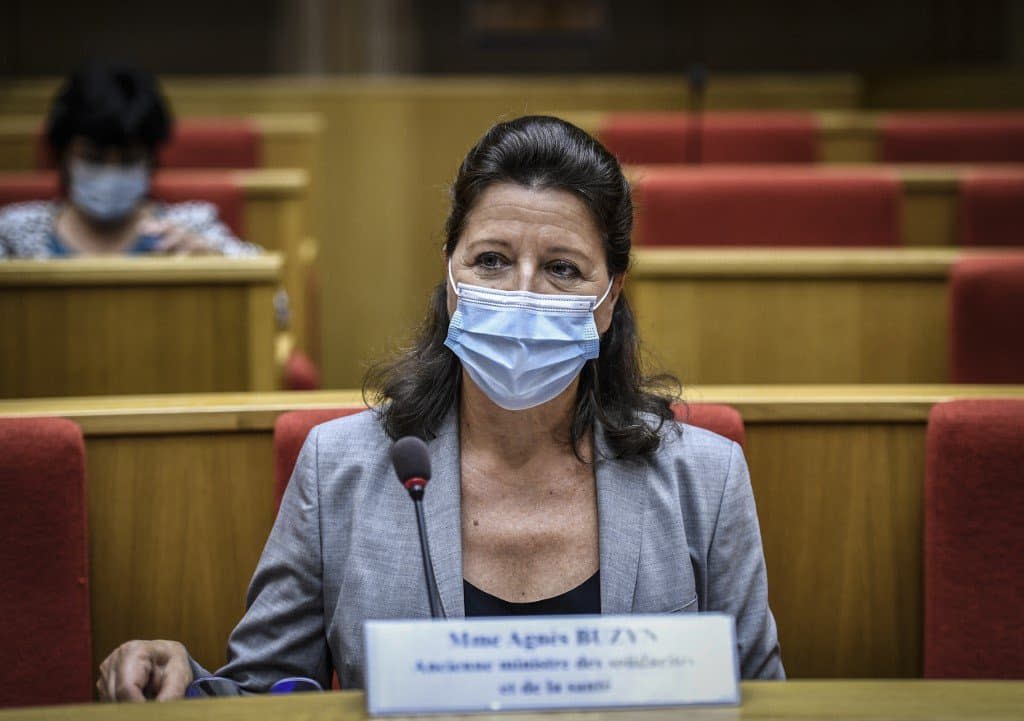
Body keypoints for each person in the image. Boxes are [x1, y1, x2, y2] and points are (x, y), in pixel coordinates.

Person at [97, 115, 783, 701]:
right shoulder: (341, 469)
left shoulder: (706, 479)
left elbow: (763, 700)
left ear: (610, 299)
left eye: (563, 268)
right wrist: (184, 678)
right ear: (449, 274)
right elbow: (268, 697)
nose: (522, 292)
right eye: (491, 260)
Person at [0, 61, 258, 258]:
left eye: (128, 159)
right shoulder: (13, 234)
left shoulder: (192, 227)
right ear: (64, 155)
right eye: (94, 157)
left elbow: (276, 308)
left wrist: (217, 263)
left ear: (150, 159)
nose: (111, 171)